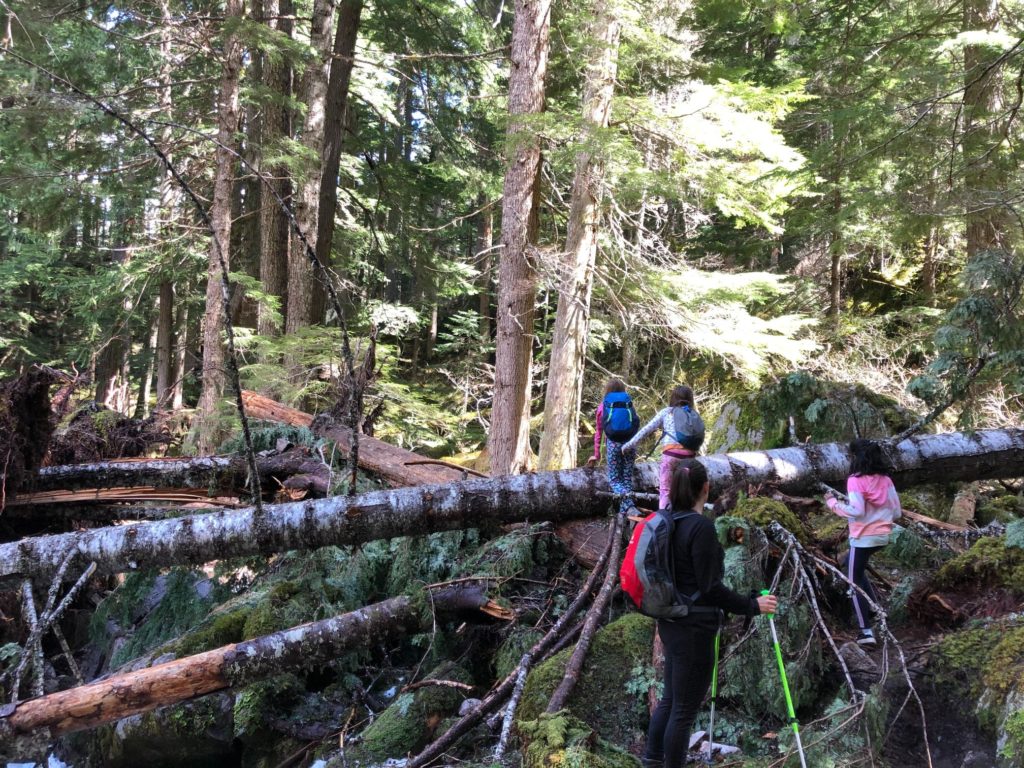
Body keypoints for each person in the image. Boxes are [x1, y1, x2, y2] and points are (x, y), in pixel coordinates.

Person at [643, 459, 777, 768]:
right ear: (706, 487)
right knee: (683, 711)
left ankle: (651, 761)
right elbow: (710, 588)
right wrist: (752, 606)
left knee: (670, 701)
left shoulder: (667, 521)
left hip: (671, 621)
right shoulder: (700, 527)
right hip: (695, 628)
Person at [824, 438, 902, 648]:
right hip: (882, 537)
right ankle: (875, 608)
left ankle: (865, 631)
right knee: (853, 567)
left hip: (862, 539)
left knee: (853, 582)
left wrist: (833, 503)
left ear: (855, 457)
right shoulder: (886, 480)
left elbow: (857, 510)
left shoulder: (855, 480)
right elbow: (896, 511)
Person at [622, 385, 704, 510]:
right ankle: (688, 517)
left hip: (671, 455)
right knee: (687, 490)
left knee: (666, 490)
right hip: (690, 458)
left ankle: (665, 517)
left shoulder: (667, 412)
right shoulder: (693, 414)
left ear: (673, 398)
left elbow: (646, 430)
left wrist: (628, 445)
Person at [586, 377, 636, 515]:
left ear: (607, 390)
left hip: (614, 445)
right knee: (626, 479)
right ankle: (626, 512)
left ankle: (629, 508)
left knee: (614, 480)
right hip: (630, 444)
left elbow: (599, 432)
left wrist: (596, 454)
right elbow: (635, 423)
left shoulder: (603, 406)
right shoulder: (628, 404)